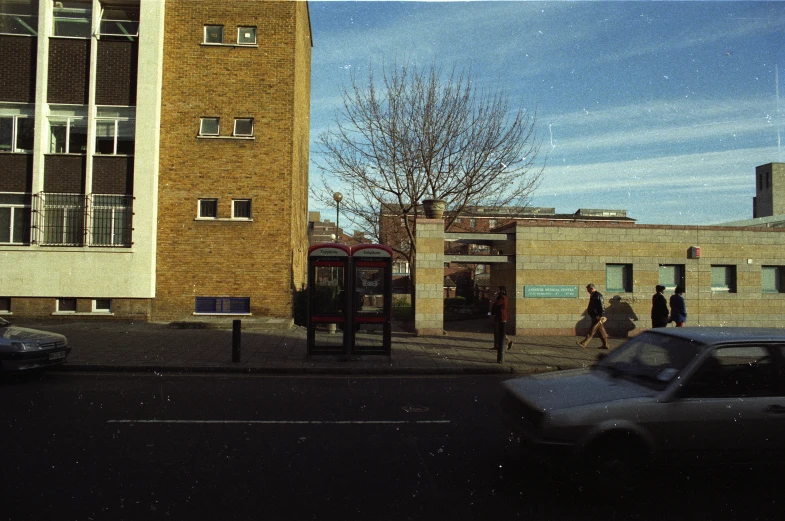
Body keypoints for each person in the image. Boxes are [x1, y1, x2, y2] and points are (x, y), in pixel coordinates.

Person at [577, 283, 609, 349]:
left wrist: (601, 315)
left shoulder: (598, 295)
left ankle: (584, 343)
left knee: (592, 330)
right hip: (594, 315)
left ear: (592, 289)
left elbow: (602, 306)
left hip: (597, 316)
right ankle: (605, 345)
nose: (588, 292)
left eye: (588, 290)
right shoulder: (593, 295)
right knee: (601, 331)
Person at [491, 286, 514, 351]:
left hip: (501, 316)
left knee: (499, 331)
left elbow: (496, 303)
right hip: (499, 315)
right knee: (497, 331)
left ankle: (508, 341)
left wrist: (494, 301)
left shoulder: (503, 298)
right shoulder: (501, 297)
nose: (498, 292)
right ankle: (496, 345)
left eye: (499, 290)